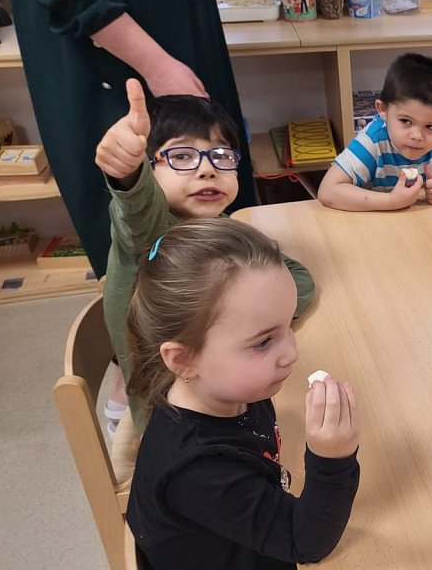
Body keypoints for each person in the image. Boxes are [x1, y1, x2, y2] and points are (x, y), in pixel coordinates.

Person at [125, 218, 359, 568]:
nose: (291, 353)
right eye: (263, 342)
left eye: (290, 325)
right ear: (183, 359)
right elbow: (304, 543)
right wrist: (333, 459)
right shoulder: (200, 471)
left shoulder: (225, 390)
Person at [96, 79, 315, 434]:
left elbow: (295, 274)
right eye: (181, 156)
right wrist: (128, 174)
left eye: (222, 156)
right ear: (149, 167)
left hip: (220, 390)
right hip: (175, 426)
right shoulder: (149, 231)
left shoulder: (218, 224)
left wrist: (265, 316)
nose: (207, 169)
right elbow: (137, 207)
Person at [12, 0, 257, 277]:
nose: (207, 169)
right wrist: (155, 65)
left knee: (224, 235)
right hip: (113, 51)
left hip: (177, 33)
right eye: (181, 156)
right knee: (145, 236)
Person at [317, 53, 432, 211]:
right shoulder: (372, 141)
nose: (417, 136)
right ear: (383, 110)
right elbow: (327, 191)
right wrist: (391, 201)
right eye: (405, 121)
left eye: (431, 127)